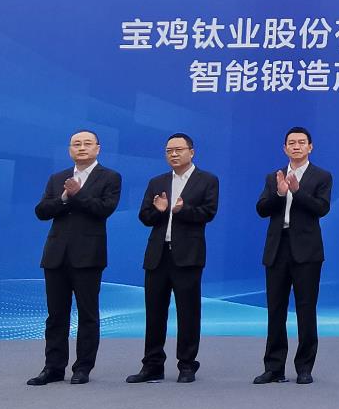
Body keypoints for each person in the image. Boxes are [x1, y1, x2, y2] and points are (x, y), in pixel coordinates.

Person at [29, 129, 122, 385]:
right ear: (70, 149)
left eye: (87, 143)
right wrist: (63, 197)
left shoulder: (110, 177)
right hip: (56, 255)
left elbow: (104, 209)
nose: (81, 147)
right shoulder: (58, 178)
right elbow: (41, 211)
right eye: (76, 144)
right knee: (56, 316)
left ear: (97, 148)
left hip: (88, 256)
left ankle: (82, 368)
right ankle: (53, 368)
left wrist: (78, 194)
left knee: (87, 315)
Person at [128, 133, 220, 385]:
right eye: (169, 150)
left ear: (192, 152)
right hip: (157, 255)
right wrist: (159, 211)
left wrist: (182, 210)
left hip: (188, 256)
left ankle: (187, 365)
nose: (174, 154)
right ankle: (152, 365)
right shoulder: (157, 181)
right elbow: (144, 217)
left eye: (179, 149)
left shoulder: (207, 180)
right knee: (154, 313)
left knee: (188, 313)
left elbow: (208, 213)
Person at [255, 126, 331, 384]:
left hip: (306, 251)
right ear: (284, 148)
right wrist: (279, 193)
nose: (296, 146)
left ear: (310, 147)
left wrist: (298, 192)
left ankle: (304, 367)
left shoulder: (321, 176)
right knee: (275, 310)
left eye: (301, 142)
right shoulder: (273, 177)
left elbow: (321, 208)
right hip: (277, 249)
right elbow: (262, 209)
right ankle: (274, 367)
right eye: (291, 143)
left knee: (305, 309)